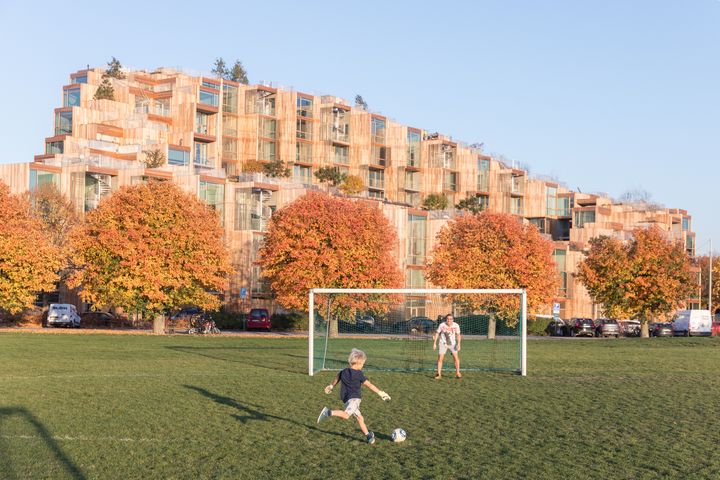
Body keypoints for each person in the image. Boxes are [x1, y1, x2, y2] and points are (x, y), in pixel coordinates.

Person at [316, 348, 391, 444]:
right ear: (358, 363)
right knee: (346, 415)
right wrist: (381, 393)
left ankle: (368, 436)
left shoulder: (343, 371)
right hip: (354, 400)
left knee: (360, 418)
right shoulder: (359, 374)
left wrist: (331, 386)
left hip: (347, 399)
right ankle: (328, 412)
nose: (363, 365)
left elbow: (337, 377)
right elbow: (369, 384)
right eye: (363, 364)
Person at [433, 313, 462, 379]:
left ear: (453, 320)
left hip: (453, 344)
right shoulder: (442, 325)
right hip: (443, 343)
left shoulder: (456, 325)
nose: (449, 320)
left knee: (456, 358)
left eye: (450, 319)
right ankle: (438, 374)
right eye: (448, 319)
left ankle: (458, 373)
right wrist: (434, 343)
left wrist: (459, 344)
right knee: (440, 358)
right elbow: (437, 333)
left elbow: (458, 335)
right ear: (446, 319)